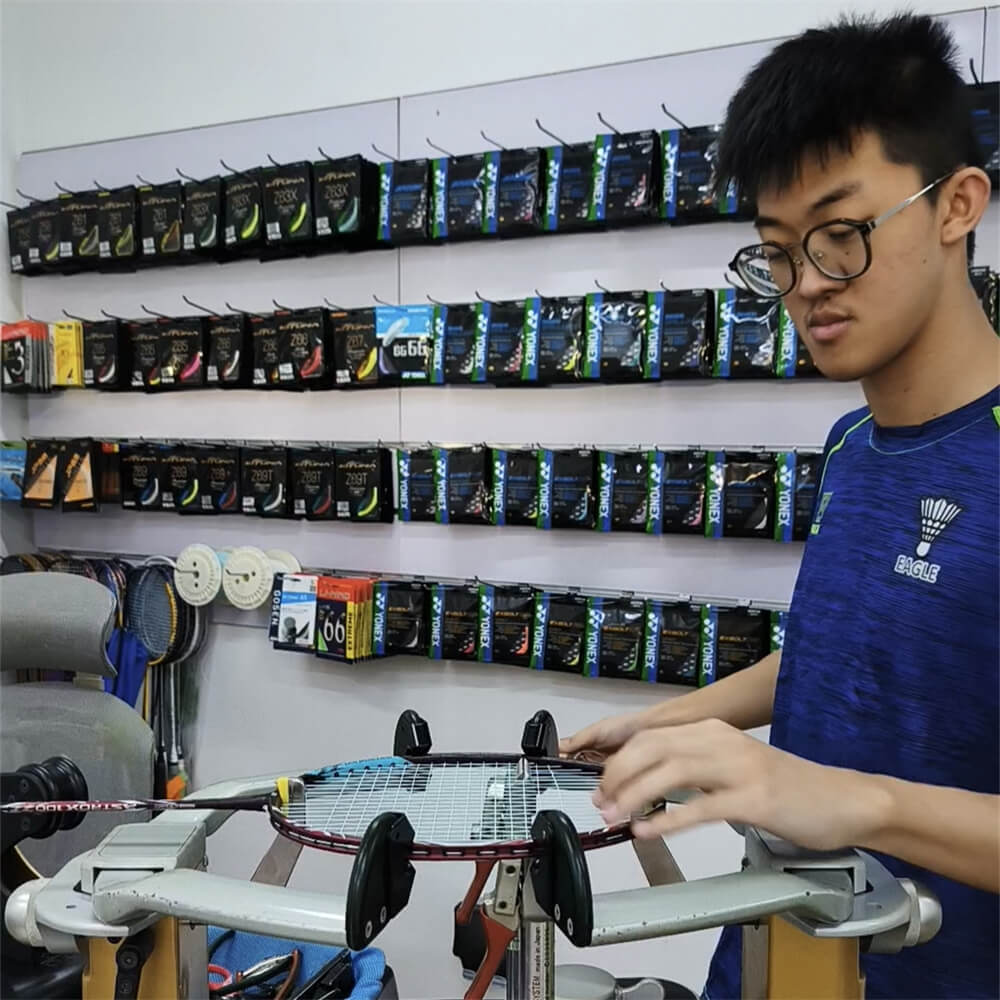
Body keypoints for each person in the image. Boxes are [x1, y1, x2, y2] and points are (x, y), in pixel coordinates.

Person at [561, 13, 999, 1000]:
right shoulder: (851, 446)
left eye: (841, 236)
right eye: (777, 251)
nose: (806, 287)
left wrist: (844, 800)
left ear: (955, 205)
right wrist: (678, 720)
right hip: (774, 962)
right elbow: (848, 647)